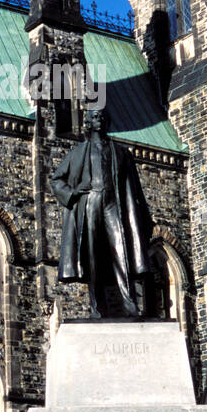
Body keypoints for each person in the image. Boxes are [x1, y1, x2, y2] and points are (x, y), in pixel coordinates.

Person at [51, 108, 153, 317]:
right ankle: (97, 306)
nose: (99, 120)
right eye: (94, 117)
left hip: (113, 203)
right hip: (90, 202)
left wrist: (145, 216)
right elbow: (56, 179)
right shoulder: (77, 152)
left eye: (102, 117)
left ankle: (129, 303)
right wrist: (72, 193)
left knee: (121, 250)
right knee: (93, 255)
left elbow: (135, 189)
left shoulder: (120, 152)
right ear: (87, 123)